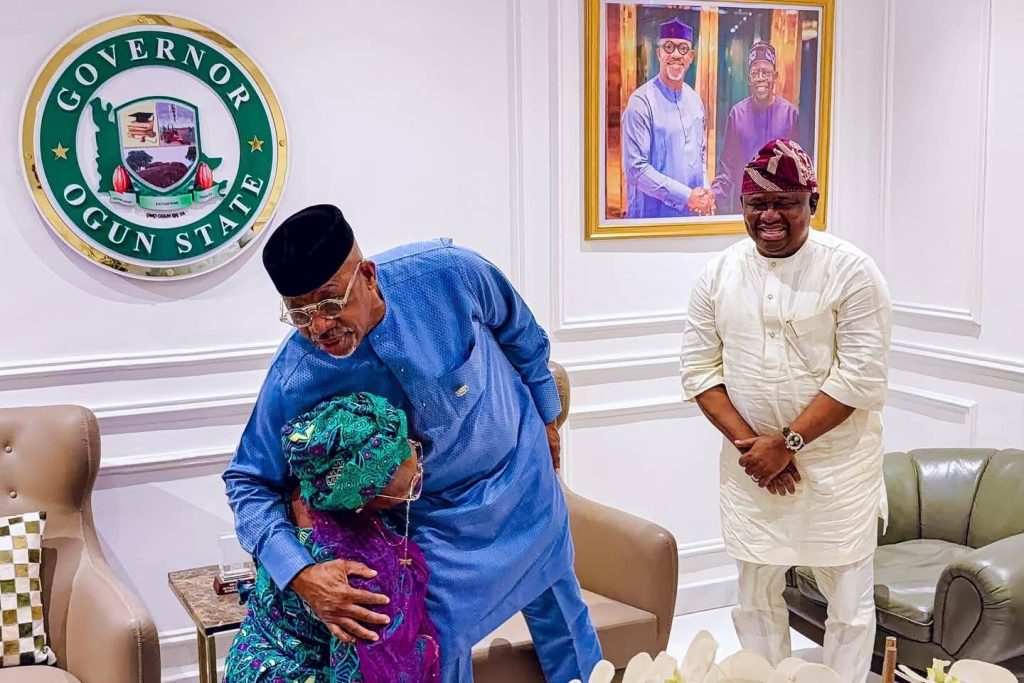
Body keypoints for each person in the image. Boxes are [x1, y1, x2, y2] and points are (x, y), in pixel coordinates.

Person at [223, 204, 602, 683]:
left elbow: (522, 335)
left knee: (565, 620)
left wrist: (548, 419)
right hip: (435, 529)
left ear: (367, 275)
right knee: (432, 648)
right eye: (300, 313)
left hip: (524, 483)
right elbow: (247, 481)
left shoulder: (449, 273)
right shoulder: (298, 373)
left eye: (329, 302)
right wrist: (298, 572)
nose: (318, 327)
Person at [679, 139, 892, 683]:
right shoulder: (718, 274)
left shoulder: (852, 271)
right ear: (743, 206)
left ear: (811, 203)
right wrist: (758, 451)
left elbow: (859, 375)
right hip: (752, 470)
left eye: (785, 203)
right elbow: (700, 371)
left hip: (838, 472)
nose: (769, 216)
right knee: (755, 597)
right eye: (757, 203)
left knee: (848, 603)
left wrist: (787, 443)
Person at [224, 392, 440, 682]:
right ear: (364, 500)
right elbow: (360, 673)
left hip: (248, 662)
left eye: (410, 445)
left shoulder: (293, 498)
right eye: (410, 487)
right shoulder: (363, 574)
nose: (418, 473)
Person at [621, 18, 714, 218]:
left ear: (691, 56)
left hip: (689, 217)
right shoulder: (641, 103)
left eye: (683, 49)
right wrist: (685, 197)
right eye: (669, 47)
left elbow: (700, 155)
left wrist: (705, 192)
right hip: (652, 219)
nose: (675, 55)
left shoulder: (695, 101)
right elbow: (636, 170)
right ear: (659, 53)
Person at [711, 42, 801, 215]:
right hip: (745, 208)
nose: (760, 78)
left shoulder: (790, 115)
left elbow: (798, 168)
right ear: (749, 78)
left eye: (766, 73)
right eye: (755, 73)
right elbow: (728, 166)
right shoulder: (737, 114)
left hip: (779, 209)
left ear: (775, 76)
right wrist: (713, 198)